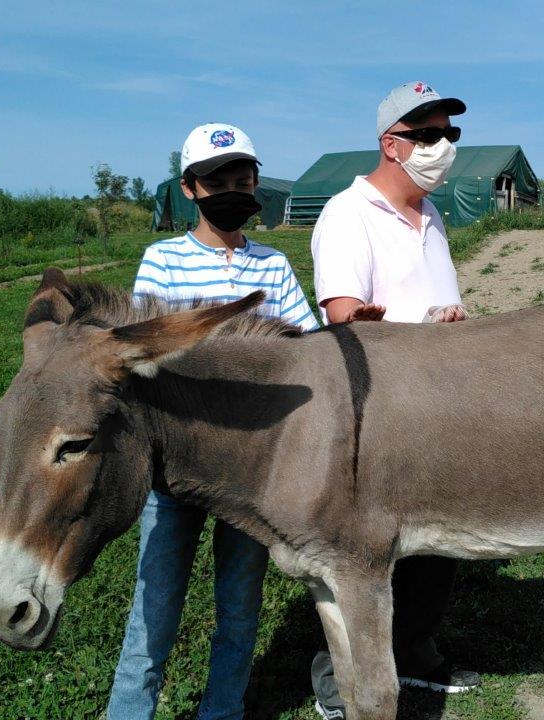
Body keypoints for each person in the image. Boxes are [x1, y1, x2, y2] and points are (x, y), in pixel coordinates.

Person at [108, 123, 319, 720]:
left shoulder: (273, 264)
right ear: (190, 188)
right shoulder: (163, 260)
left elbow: (302, 344)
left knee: (239, 603)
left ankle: (222, 711)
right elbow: (142, 356)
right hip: (174, 469)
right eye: (217, 180)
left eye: (243, 179)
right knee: (155, 605)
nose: (233, 189)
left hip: (251, 467)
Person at [308, 81, 477, 720]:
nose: (443, 148)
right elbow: (344, 315)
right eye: (428, 136)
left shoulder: (431, 216)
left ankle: (415, 654)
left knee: (437, 544)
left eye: (450, 135)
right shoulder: (347, 214)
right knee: (360, 552)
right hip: (380, 415)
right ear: (391, 144)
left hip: (439, 407)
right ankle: (337, 679)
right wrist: (383, 322)